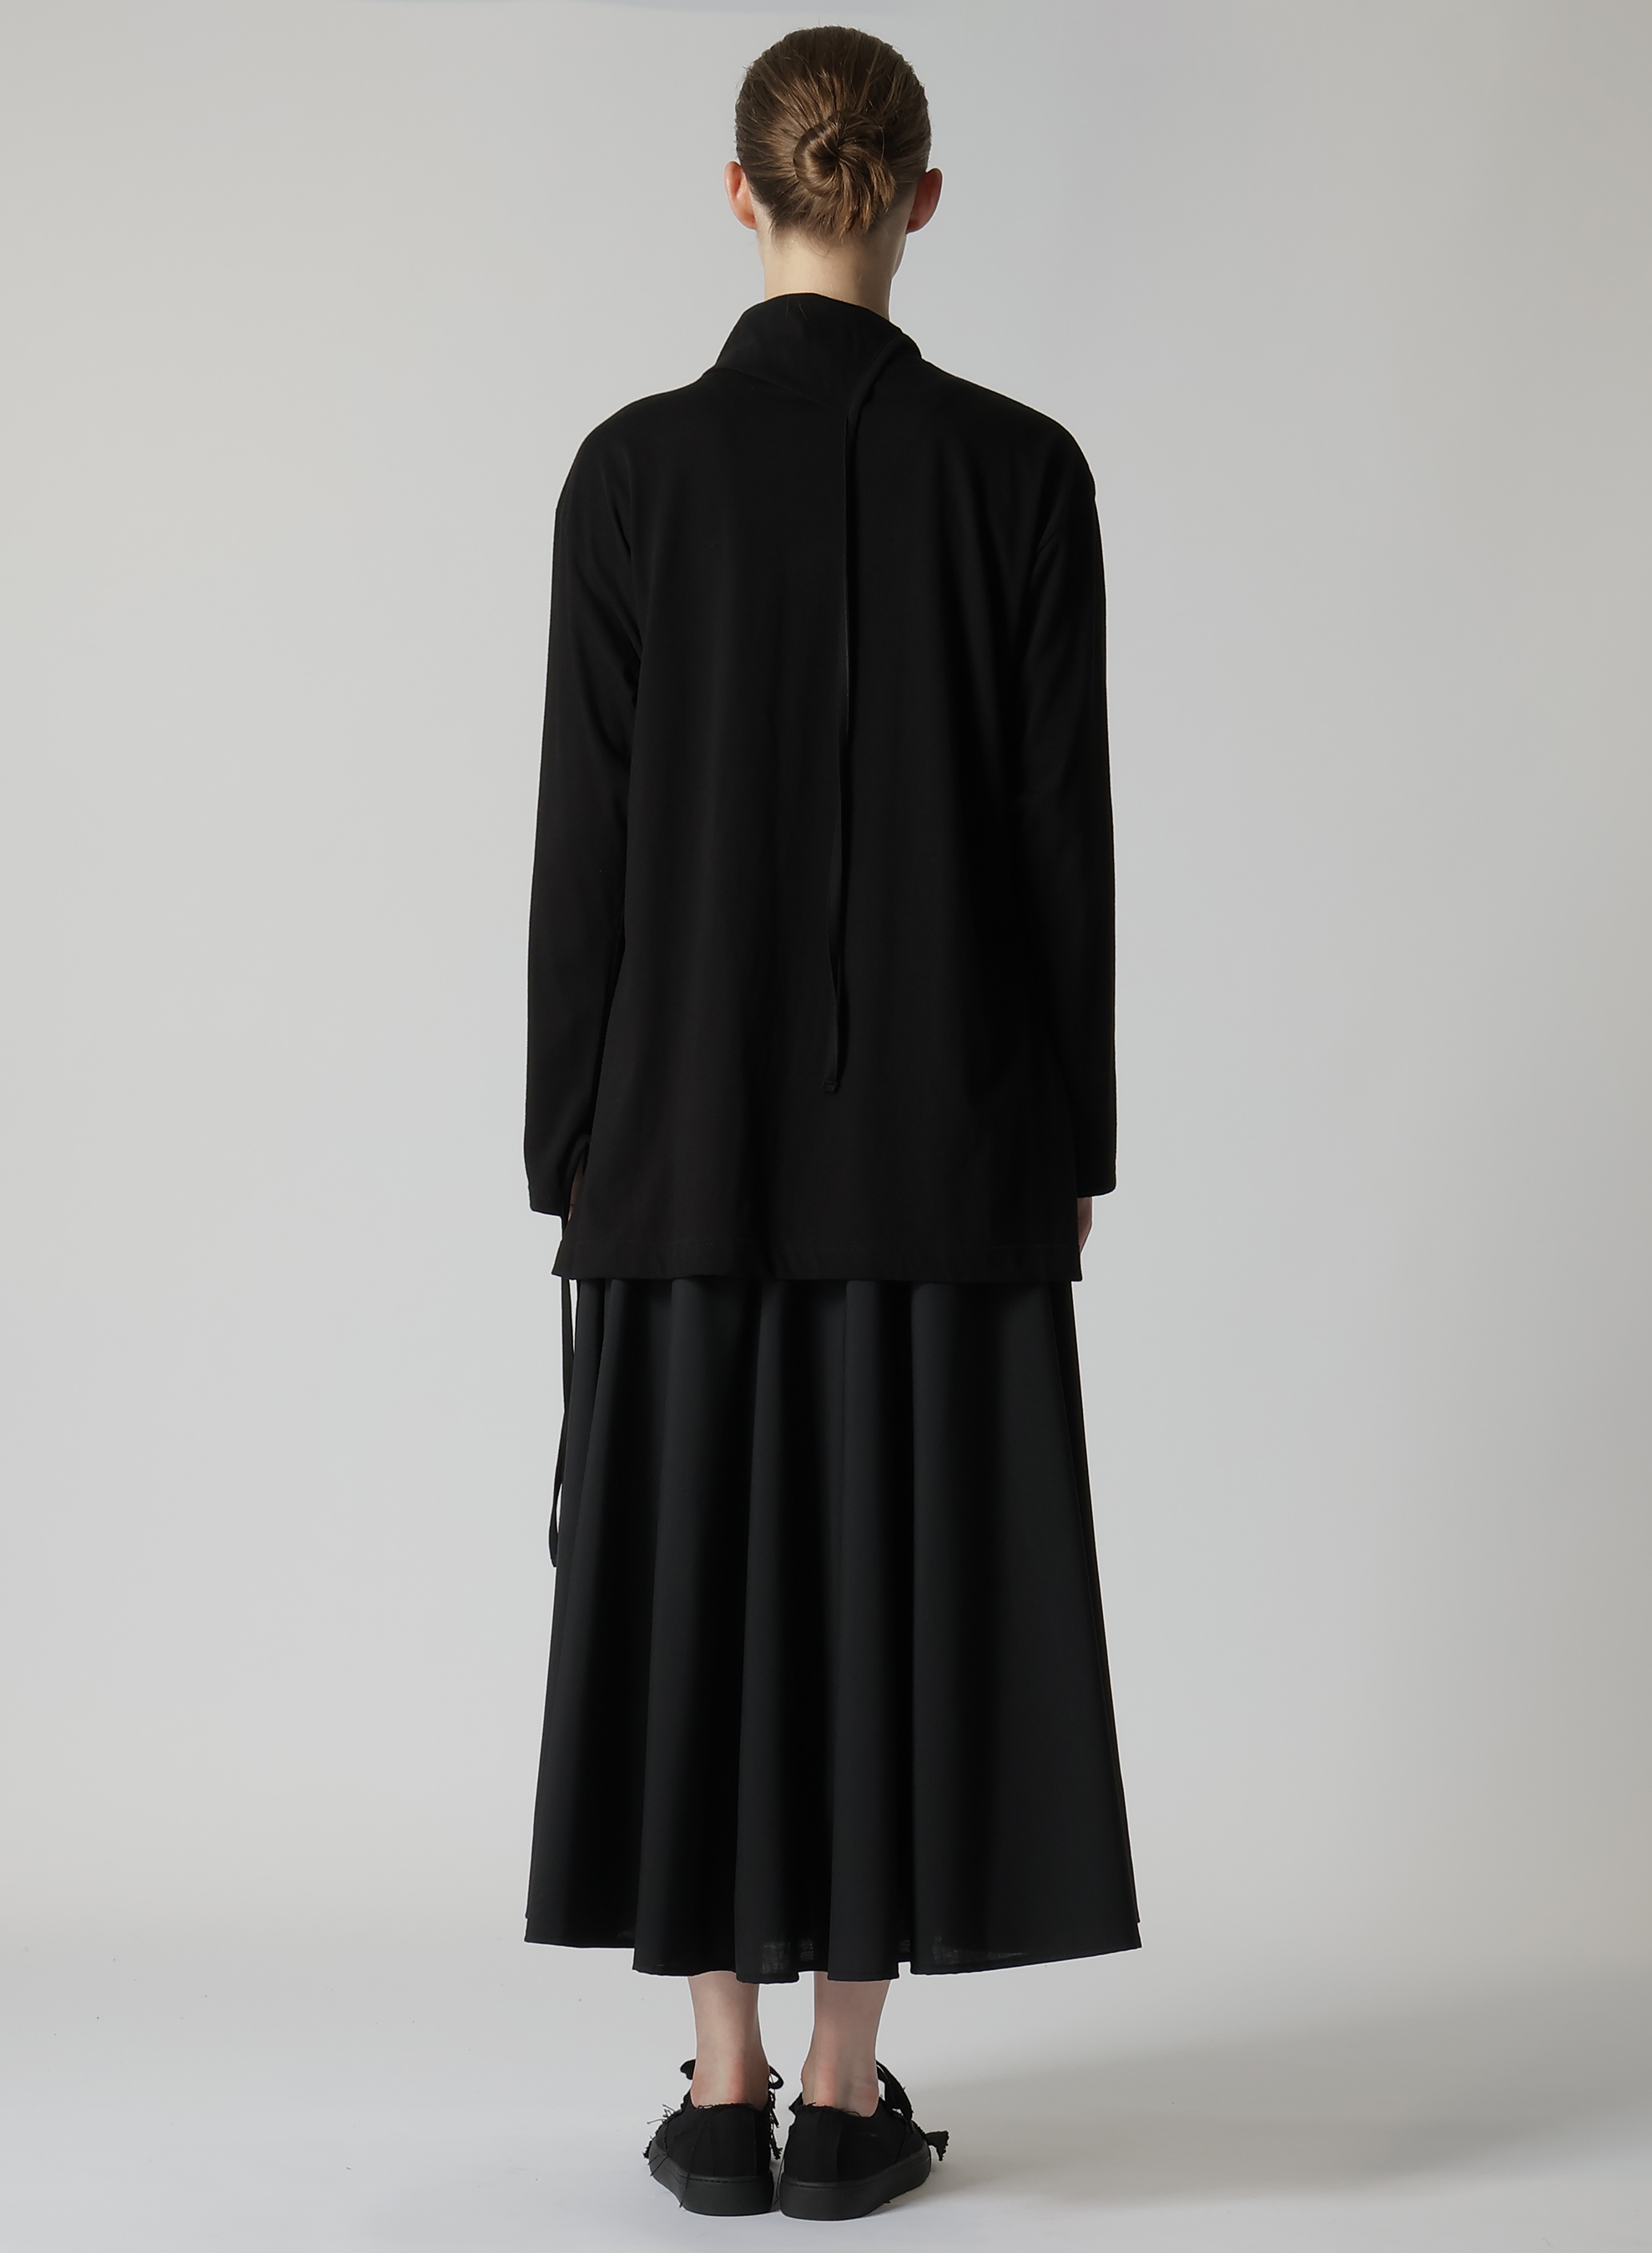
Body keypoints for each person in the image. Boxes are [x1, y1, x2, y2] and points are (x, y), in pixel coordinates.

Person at [521, 23, 1137, 2223]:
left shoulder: (630, 474)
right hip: (946, 1153)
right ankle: (847, 2095)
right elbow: (1059, 844)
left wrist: (568, 1146)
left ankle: (719, 2084)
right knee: (898, 1589)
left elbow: (583, 852)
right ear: (920, 199)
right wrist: (1069, 1139)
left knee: (690, 1581)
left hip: (675, 1148)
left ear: (740, 195)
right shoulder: (1023, 472)